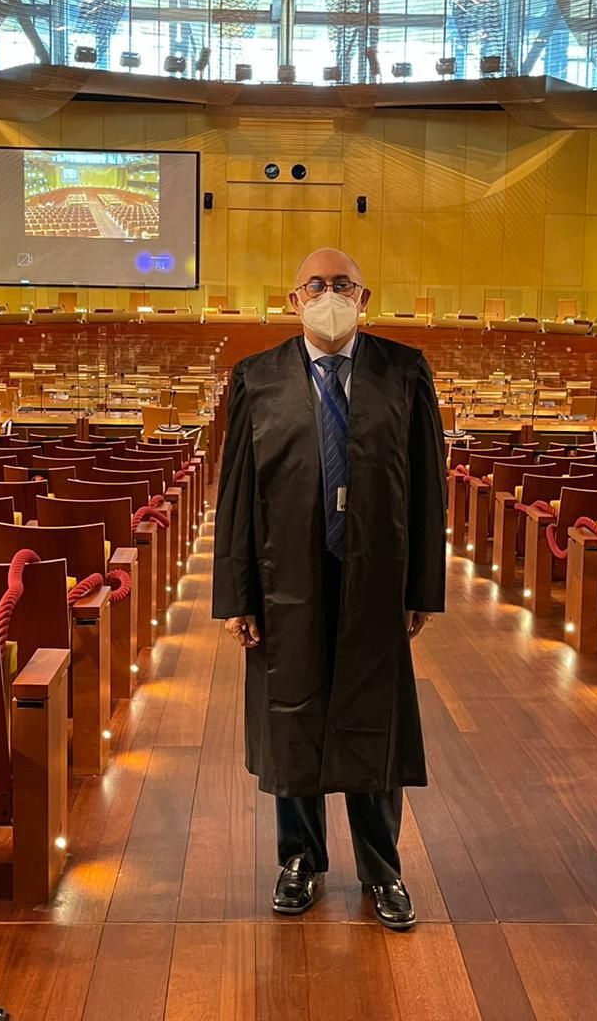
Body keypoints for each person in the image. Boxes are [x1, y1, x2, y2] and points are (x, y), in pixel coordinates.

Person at [214, 247, 446, 931]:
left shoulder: (404, 372)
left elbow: (429, 487)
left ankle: (383, 870)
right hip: (289, 577)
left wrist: (422, 588)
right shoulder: (256, 378)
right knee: (294, 718)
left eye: (341, 284)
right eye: (314, 285)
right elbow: (236, 495)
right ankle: (299, 860)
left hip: (376, 576)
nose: (328, 294)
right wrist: (239, 596)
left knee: (374, 720)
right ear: (293, 300)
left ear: (365, 296)